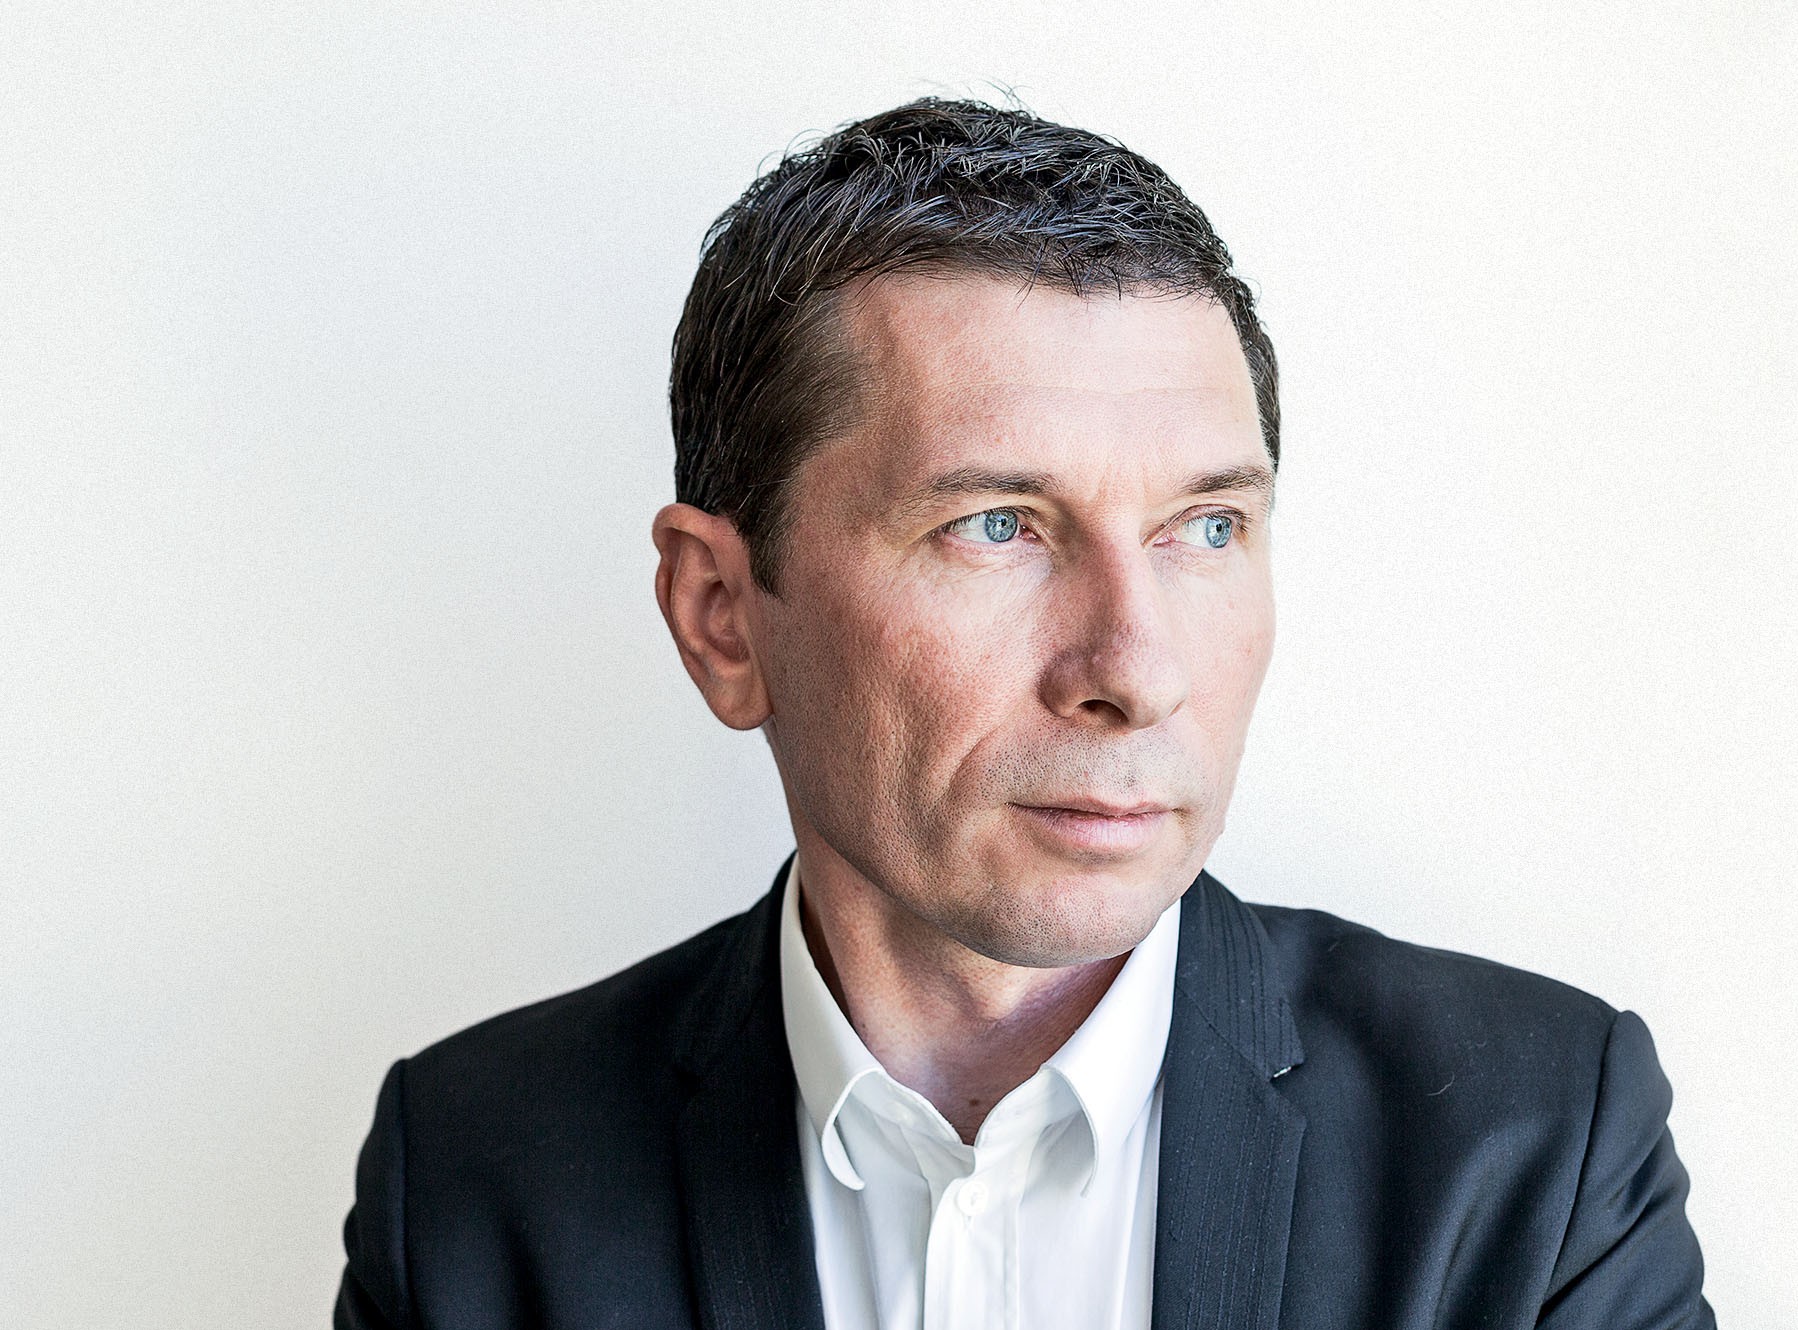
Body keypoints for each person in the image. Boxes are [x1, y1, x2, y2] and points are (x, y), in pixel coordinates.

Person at [334, 98, 1713, 1330]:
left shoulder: (1537, 1147)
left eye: (1205, 526)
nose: (1137, 670)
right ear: (721, 614)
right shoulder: (470, 1179)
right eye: (997, 525)